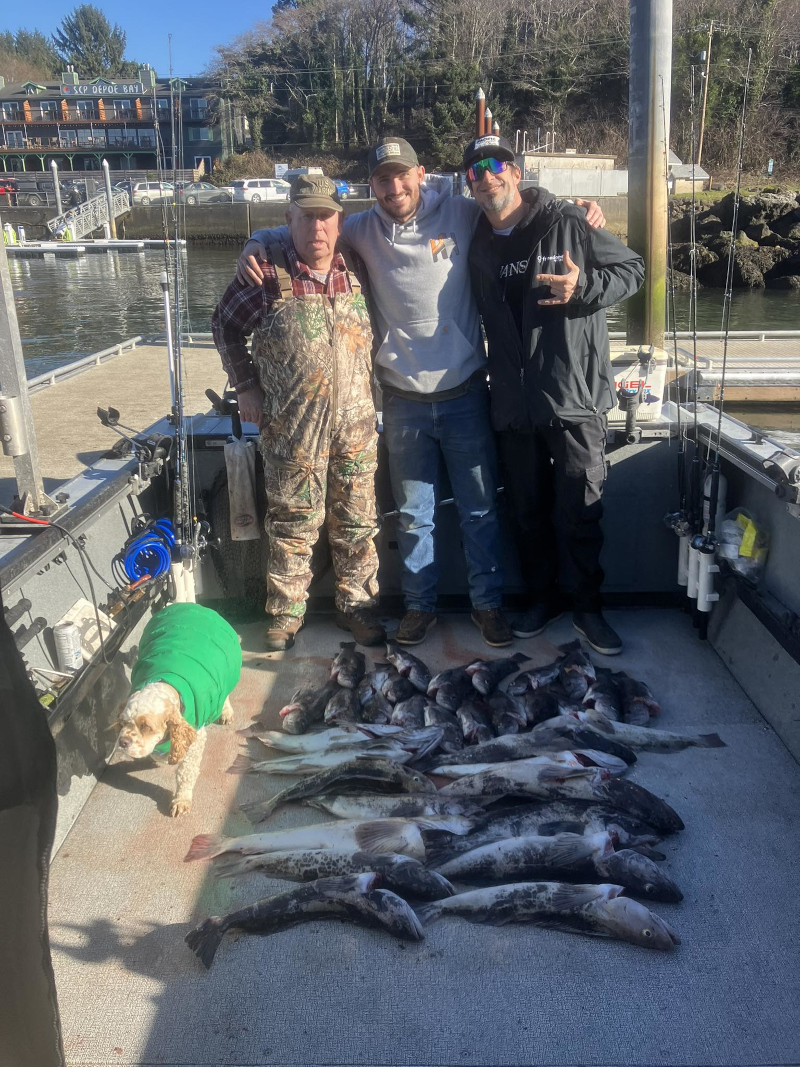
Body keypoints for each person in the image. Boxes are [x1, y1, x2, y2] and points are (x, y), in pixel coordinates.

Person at [236, 139, 606, 648]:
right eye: (383, 180)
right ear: (372, 188)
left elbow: (512, 204)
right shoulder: (359, 230)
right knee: (413, 515)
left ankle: (487, 605)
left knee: (480, 510)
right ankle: (419, 608)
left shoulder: (460, 212)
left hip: (466, 392)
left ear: (422, 175)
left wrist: (573, 206)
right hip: (403, 400)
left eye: (402, 176)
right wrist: (256, 240)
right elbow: (305, 227)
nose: (394, 188)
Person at [464, 133, 645, 655]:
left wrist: (583, 288)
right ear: (469, 184)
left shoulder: (567, 222)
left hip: (574, 398)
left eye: (497, 163)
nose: (488, 175)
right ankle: (542, 598)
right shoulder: (477, 241)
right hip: (514, 404)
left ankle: (588, 608)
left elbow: (631, 269)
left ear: (517, 172)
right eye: (476, 170)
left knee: (580, 513)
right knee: (526, 511)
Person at [211, 174, 384, 652]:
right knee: (291, 524)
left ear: (339, 221)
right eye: (306, 216)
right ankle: (286, 615)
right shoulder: (265, 274)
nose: (317, 227)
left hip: (356, 427)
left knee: (357, 522)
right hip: (292, 430)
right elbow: (223, 326)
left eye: (325, 216)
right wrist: (246, 385)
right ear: (288, 219)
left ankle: (358, 607)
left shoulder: (359, 270)